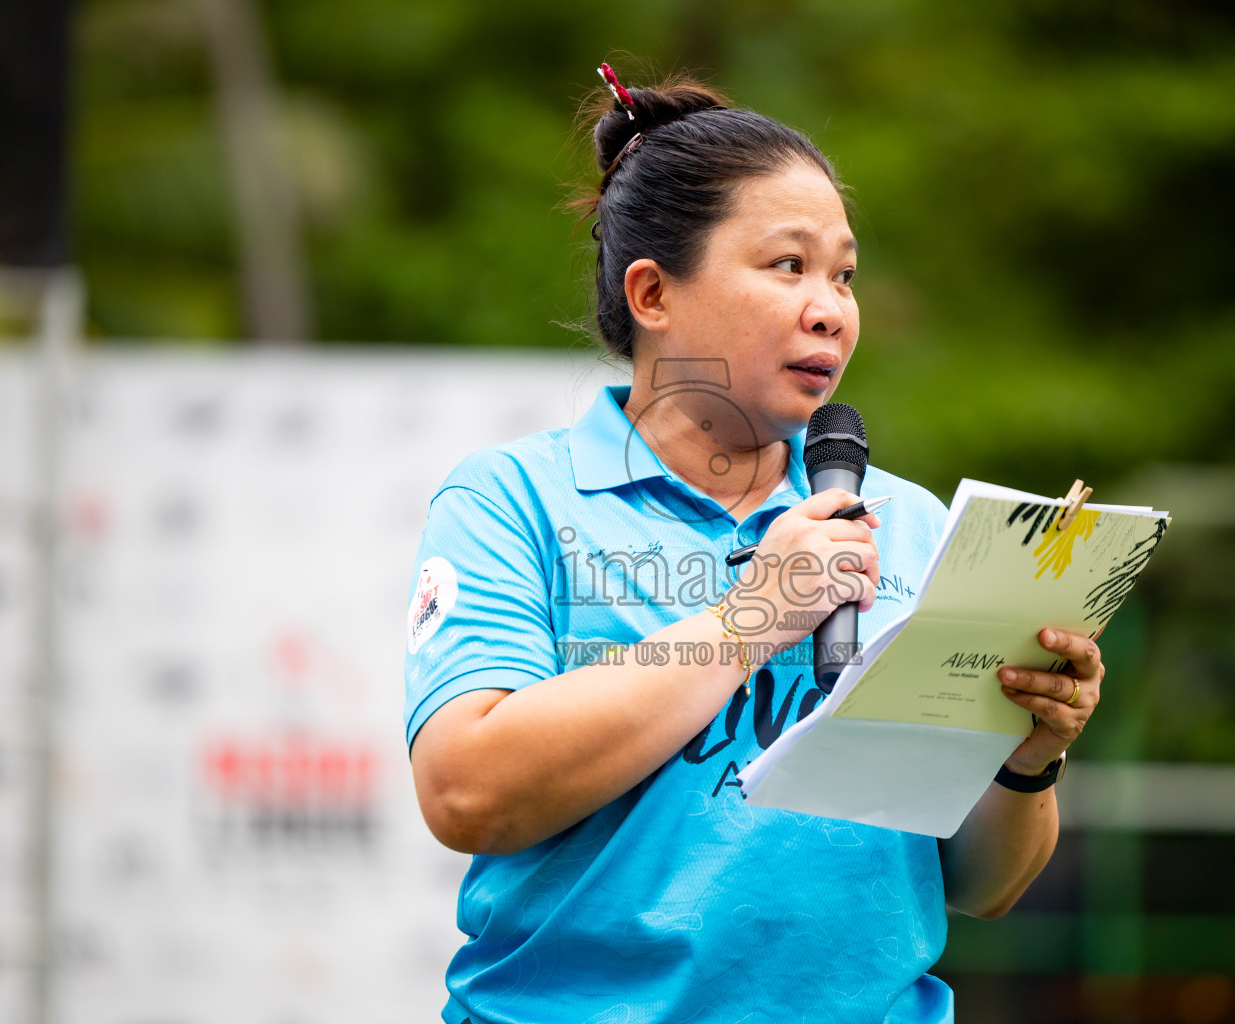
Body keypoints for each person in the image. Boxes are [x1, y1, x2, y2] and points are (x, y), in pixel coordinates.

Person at [403, 66, 1105, 1024]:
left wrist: (1031, 755)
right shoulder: (510, 500)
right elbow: (466, 793)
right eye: (787, 266)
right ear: (653, 294)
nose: (830, 309)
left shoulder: (912, 524)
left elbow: (982, 889)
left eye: (843, 275)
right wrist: (753, 617)